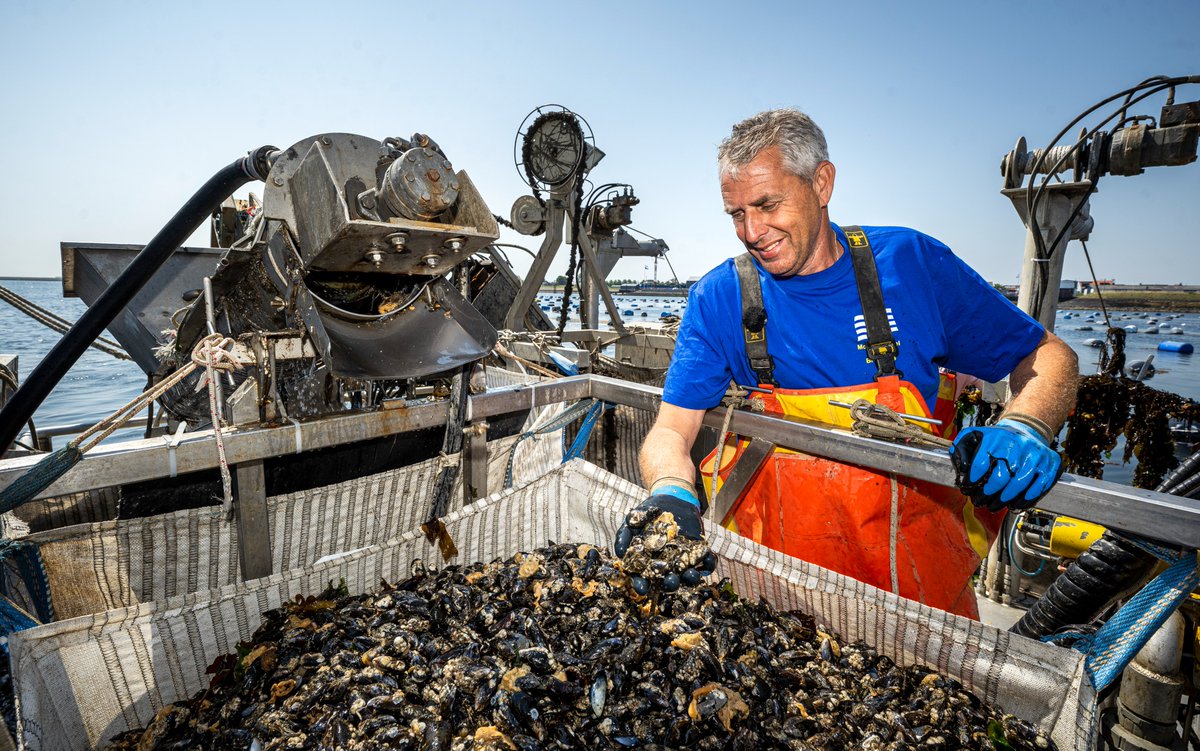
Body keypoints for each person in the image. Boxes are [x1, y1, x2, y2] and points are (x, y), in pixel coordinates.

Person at [614, 108, 1078, 618]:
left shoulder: (911, 264)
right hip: (769, 590)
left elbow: (1049, 355)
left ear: (821, 182)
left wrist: (1027, 425)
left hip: (911, 593)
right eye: (736, 214)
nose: (752, 230)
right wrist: (671, 491)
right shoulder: (720, 297)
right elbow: (671, 431)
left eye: (767, 204)